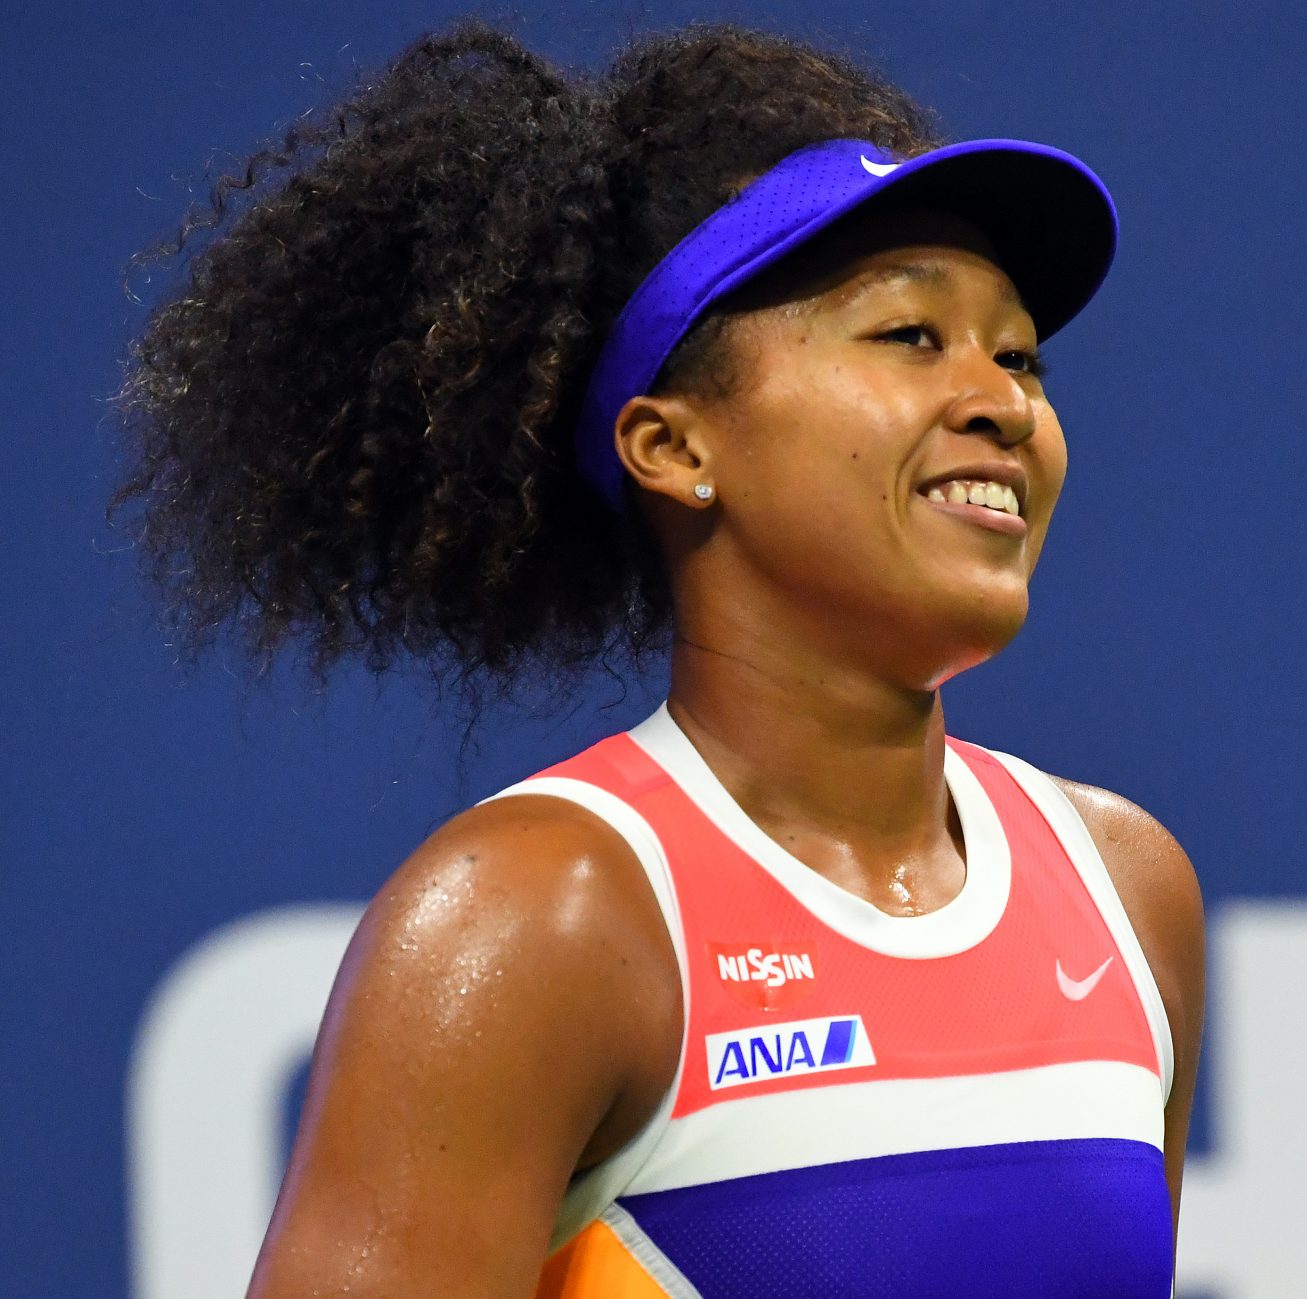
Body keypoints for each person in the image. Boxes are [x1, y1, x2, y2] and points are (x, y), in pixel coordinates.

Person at [115, 19, 1205, 1298]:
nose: (1002, 400)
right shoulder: (539, 920)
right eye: (911, 337)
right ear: (675, 448)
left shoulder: (1128, 891)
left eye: (1019, 355)